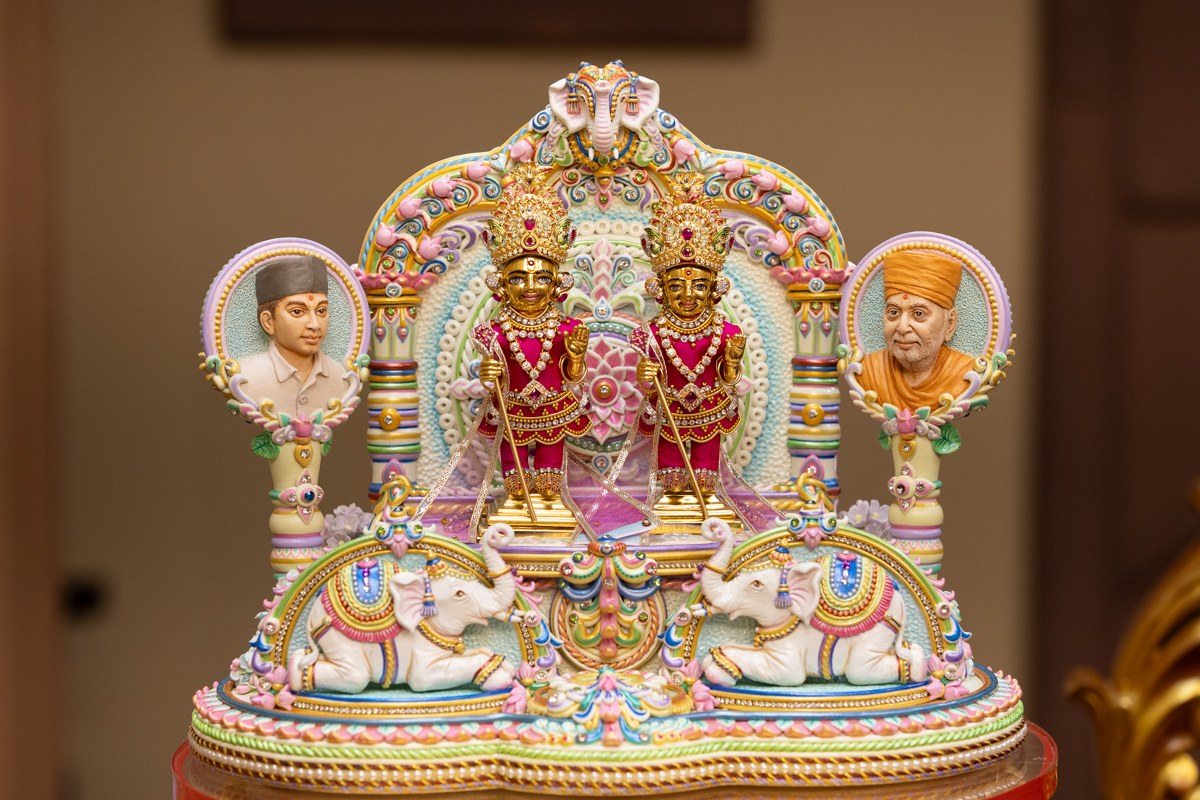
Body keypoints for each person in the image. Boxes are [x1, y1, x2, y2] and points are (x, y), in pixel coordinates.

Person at [472, 163, 591, 499]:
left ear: (557, 283)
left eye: (541, 278)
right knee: (517, 486)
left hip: (554, 409)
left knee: (551, 486)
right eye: (517, 278)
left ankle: (551, 499)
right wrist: (488, 372)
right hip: (511, 410)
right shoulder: (494, 331)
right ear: (500, 285)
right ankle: (517, 497)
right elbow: (492, 375)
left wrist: (577, 358)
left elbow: (572, 377)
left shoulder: (568, 328)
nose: (529, 287)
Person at [632, 171, 746, 494]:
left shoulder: (725, 331)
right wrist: (646, 373)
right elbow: (647, 377)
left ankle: (706, 498)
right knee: (673, 475)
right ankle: (674, 499)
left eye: (698, 285)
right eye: (676, 285)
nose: (687, 294)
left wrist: (733, 361)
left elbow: (727, 377)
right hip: (670, 412)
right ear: (661, 291)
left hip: (710, 410)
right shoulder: (654, 332)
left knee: (706, 475)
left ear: (713, 289)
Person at [857, 250, 977, 411]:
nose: (902, 327)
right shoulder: (869, 370)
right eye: (894, 312)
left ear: (949, 323)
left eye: (919, 314)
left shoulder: (966, 373)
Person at [237, 254, 349, 421]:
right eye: (297, 312)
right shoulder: (244, 377)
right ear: (268, 322)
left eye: (321, 311)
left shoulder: (340, 377)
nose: (315, 324)